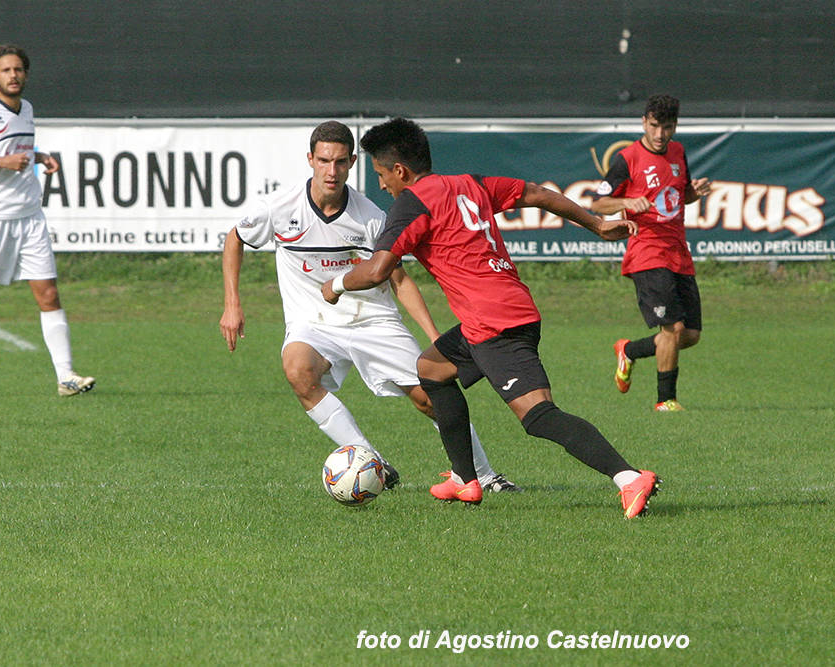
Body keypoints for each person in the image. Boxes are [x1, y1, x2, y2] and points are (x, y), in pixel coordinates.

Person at [321, 117, 658, 518]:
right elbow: (537, 194)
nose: (381, 185)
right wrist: (597, 223)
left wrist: (337, 285)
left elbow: (377, 270)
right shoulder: (470, 183)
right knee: (431, 369)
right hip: (503, 312)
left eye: (380, 174)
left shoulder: (412, 203)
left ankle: (628, 477)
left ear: (400, 170)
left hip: (495, 325)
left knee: (538, 416)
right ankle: (465, 479)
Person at [220, 120, 519, 492]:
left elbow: (400, 280)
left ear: (352, 162)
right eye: (325, 161)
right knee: (298, 371)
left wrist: (432, 335)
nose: (332, 171)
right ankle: (371, 462)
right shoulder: (279, 207)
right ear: (310, 159)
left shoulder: (372, 218)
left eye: (341, 162)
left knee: (430, 399)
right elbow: (236, 237)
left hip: (374, 321)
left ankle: (486, 476)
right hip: (313, 323)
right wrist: (232, 304)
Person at [0, 44, 94, 398]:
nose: (13, 76)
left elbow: (18, 152)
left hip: (30, 217)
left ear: (25, 74)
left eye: (18, 70)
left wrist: (39, 156)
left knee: (48, 293)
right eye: (6, 70)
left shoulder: (27, 109)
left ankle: (66, 377)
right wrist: (3, 162)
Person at [591, 94, 711, 411]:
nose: (660, 135)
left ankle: (629, 351)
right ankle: (665, 401)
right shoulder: (628, 158)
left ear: (675, 126)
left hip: (678, 253)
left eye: (667, 127)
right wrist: (626, 202)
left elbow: (676, 197)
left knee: (691, 334)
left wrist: (693, 194)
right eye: (655, 126)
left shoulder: (678, 152)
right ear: (644, 122)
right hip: (647, 251)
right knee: (672, 328)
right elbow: (598, 203)